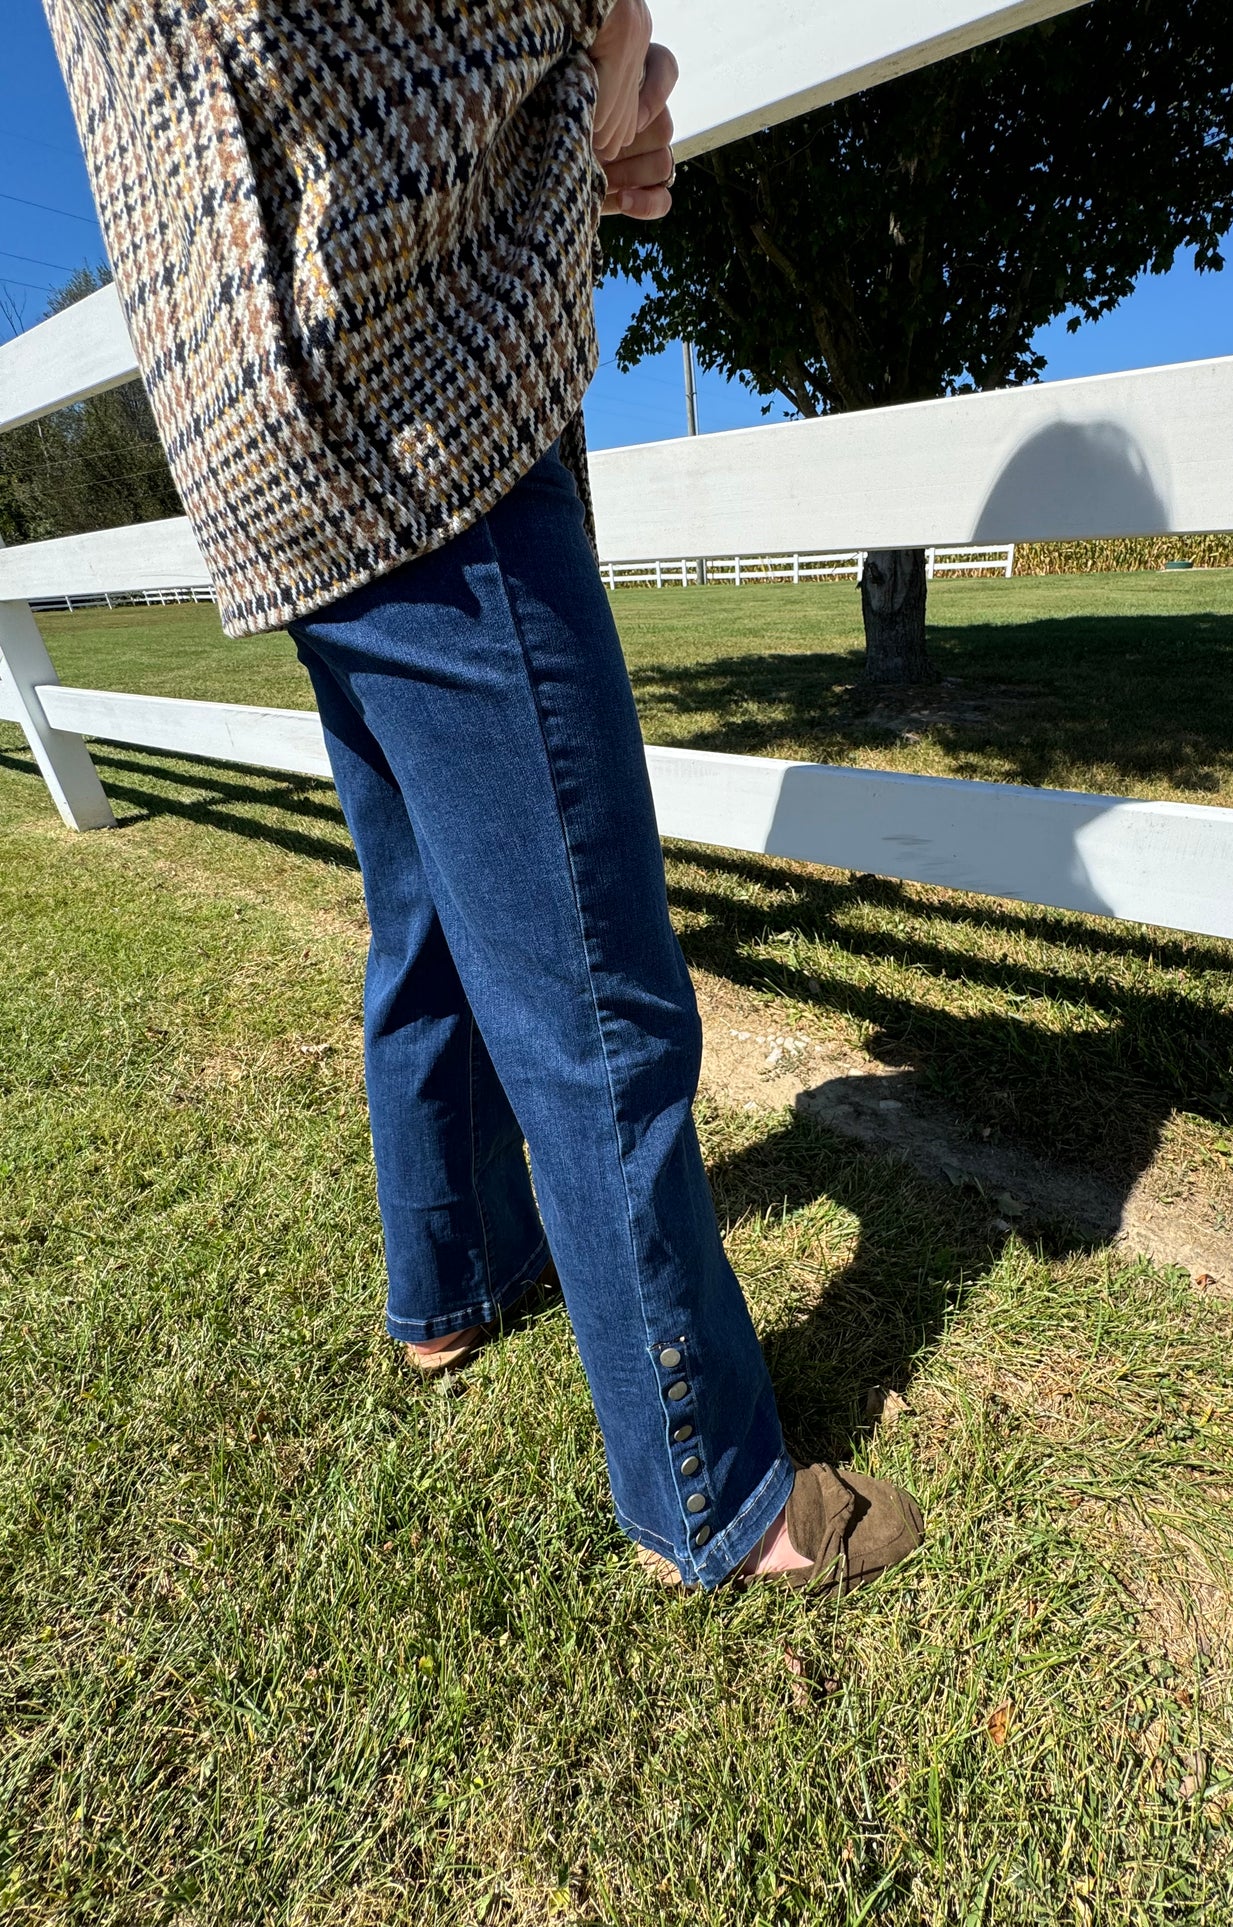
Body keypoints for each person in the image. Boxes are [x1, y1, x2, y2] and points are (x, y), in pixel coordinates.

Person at [44, 0, 923, 1592]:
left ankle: (452, 1281)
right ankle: (710, 1494)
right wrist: (604, 39)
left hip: (263, 419)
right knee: (598, 998)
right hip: (415, 384)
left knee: (435, 912)